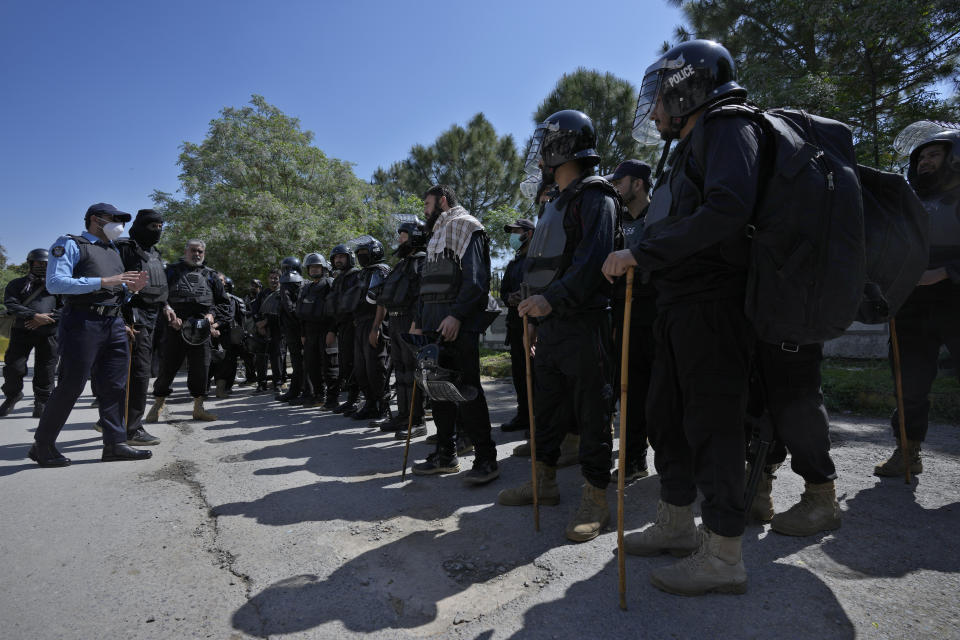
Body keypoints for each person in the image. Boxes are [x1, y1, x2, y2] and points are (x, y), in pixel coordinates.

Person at [602, 40, 760, 595]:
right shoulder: (686, 145)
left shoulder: (726, 126)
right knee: (665, 415)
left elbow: (728, 210)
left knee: (713, 426)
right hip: (676, 305)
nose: (652, 112)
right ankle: (675, 522)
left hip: (714, 304)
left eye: (660, 99)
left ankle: (723, 553)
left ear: (689, 90)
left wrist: (642, 254)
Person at [497, 110, 619, 543]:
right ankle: (543, 481)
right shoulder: (555, 203)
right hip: (547, 327)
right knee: (546, 410)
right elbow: (538, 267)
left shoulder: (596, 197)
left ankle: (596, 498)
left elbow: (592, 264)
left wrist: (550, 301)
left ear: (562, 147)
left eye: (547, 143)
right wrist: (533, 316)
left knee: (591, 413)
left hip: (583, 324)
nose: (541, 152)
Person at [29, 203, 151, 466]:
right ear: (95, 220)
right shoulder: (71, 244)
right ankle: (43, 444)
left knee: (115, 386)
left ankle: (115, 443)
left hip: (114, 323)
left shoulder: (114, 250)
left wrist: (132, 290)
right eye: (114, 218)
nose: (120, 224)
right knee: (72, 384)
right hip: (82, 322)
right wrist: (104, 281)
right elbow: (55, 283)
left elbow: (115, 292)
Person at [875, 129, 960, 477]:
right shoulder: (907, 202)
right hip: (912, 304)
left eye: (934, 155)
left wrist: (944, 272)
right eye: (921, 157)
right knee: (907, 381)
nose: (925, 162)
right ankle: (907, 452)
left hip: (956, 300)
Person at [409, 184, 499, 485]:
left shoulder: (466, 226)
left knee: (468, 392)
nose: (424, 209)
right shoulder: (435, 237)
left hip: (457, 323)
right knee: (437, 391)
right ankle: (445, 455)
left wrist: (457, 315)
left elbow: (476, 280)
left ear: (442, 201)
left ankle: (486, 459)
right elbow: (427, 284)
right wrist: (419, 322)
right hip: (433, 326)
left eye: (428, 203)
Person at [606, 160, 657, 484]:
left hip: (659, 313)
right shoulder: (616, 222)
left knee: (665, 393)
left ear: (637, 183)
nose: (615, 188)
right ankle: (634, 460)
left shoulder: (661, 217)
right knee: (631, 391)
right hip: (624, 314)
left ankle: (676, 464)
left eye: (619, 182)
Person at [146, 239, 229, 422]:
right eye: (193, 250)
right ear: (186, 251)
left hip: (201, 330)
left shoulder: (211, 275)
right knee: (167, 369)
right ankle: (158, 404)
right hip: (174, 327)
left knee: (201, 369)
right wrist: (168, 310)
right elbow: (157, 296)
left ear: (204, 254)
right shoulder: (171, 271)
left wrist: (211, 317)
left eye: (200, 251)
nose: (197, 254)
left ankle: (198, 408)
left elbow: (224, 304)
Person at [112, 209, 168, 445]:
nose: (156, 231)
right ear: (140, 225)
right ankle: (131, 430)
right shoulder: (124, 248)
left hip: (153, 317)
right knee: (136, 375)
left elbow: (157, 284)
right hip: (133, 319)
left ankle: (118, 422)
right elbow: (114, 285)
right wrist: (122, 320)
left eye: (159, 226)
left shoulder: (154, 252)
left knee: (141, 373)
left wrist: (167, 307)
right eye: (151, 226)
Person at [376, 217, 428, 437]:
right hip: (396, 322)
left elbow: (422, 297)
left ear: (415, 236)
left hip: (410, 321)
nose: (399, 239)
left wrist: (417, 324)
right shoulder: (401, 264)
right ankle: (403, 415)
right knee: (401, 372)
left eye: (403, 235)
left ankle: (417, 421)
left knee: (414, 372)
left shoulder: (422, 261)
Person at [1, 249, 61, 418]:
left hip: (49, 334)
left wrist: (46, 319)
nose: (42, 266)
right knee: (14, 368)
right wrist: (33, 315)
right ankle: (12, 396)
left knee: (46, 369)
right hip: (21, 332)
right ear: (30, 263)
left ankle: (42, 401)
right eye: (38, 263)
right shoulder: (17, 284)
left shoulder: (58, 286)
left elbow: (66, 308)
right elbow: (11, 304)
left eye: (45, 264)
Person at [498, 218, 535, 433]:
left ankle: (537, 419)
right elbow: (503, 291)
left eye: (516, 231)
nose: (512, 235)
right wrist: (509, 297)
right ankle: (523, 415)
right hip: (515, 325)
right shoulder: (513, 263)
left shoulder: (537, 259)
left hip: (533, 325)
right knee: (520, 375)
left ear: (528, 233)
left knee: (535, 375)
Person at [351, 236, 392, 421]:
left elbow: (381, 302)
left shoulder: (380, 271)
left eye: (364, 253)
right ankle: (369, 403)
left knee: (376, 367)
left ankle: (383, 408)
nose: (361, 257)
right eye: (358, 254)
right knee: (361, 368)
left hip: (373, 322)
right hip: (360, 324)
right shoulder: (363, 273)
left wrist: (376, 327)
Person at [296, 252, 339, 409]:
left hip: (326, 330)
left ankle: (333, 398)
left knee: (330, 366)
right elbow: (301, 312)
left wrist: (332, 331)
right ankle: (319, 396)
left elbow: (335, 310)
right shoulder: (306, 288)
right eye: (311, 267)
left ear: (324, 267)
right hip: (309, 332)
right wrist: (302, 334)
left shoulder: (330, 284)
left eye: (317, 266)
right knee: (311, 366)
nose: (314, 269)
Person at [328, 244, 363, 414]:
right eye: (336, 257)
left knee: (356, 363)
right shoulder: (338, 279)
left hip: (354, 325)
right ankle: (351, 399)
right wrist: (333, 329)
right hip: (342, 326)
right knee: (346, 364)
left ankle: (357, 399)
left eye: (342, 257)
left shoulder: (356, 276)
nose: (338, 260)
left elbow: (357, 301)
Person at [276, 257, 308, 403]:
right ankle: (298, 390)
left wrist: (301, 328)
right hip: (297, 328)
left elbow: (290, 308)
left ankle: (300, 391)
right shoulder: (304, 283)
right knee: (301, 361)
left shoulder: (286, 284)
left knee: (300, 361)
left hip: (296, 329)